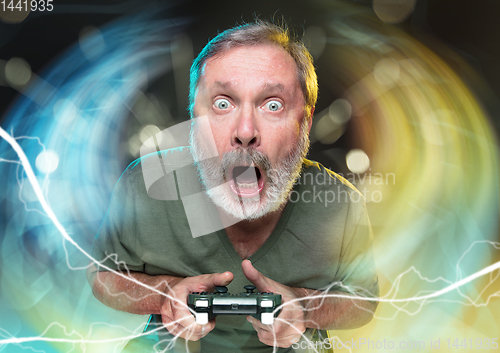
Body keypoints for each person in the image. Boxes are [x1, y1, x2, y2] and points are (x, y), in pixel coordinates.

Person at [87, 19, 379, 352]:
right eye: (223, 103)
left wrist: (304, 306)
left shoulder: (340, 202)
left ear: (306, 122)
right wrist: (166, 293)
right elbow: (102, 277)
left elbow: (363, 302)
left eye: (273, 105)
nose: (245, 131)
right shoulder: (147, 182)